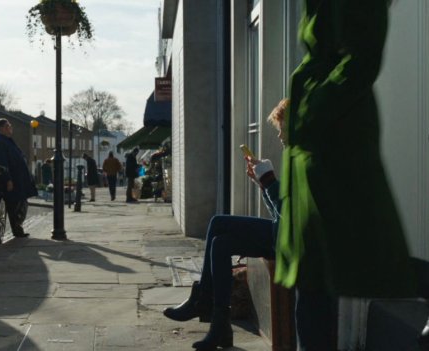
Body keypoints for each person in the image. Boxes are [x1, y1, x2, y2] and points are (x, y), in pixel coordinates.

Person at [280, 1, 416, 349]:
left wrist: (314, 110)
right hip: (315, 144)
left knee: (345, 259)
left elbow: (362, 58)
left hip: (331, 139)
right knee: (311, 278)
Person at [163, 99, 288, 350]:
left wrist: (270, 183)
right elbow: (282, 211)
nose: (280, 136)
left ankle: (204, 302)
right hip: (283, 233)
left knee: (219, 224)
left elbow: (287, 217)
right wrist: (264, 184)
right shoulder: (297, 156)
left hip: (290, 239)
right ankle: (219, 326)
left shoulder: (304, 159)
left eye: (282, 128)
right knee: (220, 242)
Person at [0, 119, 37, 238]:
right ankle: (17, 229)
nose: (10, 128)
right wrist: (8, 179)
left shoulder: (7, 141)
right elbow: (0, 162)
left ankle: (18, 229)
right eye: (7, 126)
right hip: (11, 181)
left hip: (18, 180)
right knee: (15, 205)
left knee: (20, 204)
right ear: (0, 128)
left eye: (10, 126)